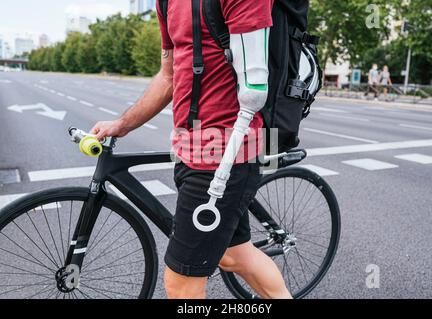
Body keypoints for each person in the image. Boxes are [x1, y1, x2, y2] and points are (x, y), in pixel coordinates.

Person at [90, 0, 292, 299]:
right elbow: (168, 75)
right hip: (187, 150)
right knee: (234, 255)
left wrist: (225, 164)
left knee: (180, 283)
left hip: (222, 157)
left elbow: (254, 87)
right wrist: (123, 123)